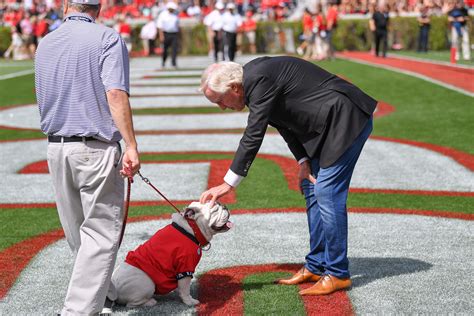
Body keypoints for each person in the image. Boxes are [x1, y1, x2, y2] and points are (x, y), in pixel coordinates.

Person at [199, 57, 376, 295]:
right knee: (312, 188)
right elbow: (284, 124)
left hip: (345, 118)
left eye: (220, 101)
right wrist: (303, 161)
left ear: (234, 87)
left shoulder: (258, 79)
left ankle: (337, 273)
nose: (221, 107)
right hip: (325, 125)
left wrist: (227, 183)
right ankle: (316, 265)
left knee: (327, 192)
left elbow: (254, 134)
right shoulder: (252, 83)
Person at [34, 0, 141, 314]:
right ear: (100, 7)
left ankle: (103, 294)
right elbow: (115, 93)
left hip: (56, 146)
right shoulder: (107, 38)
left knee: (76, 229)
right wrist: (131, 144)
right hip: (94, 146)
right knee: (99, 231)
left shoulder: (45, 42)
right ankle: (78, 311)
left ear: (67, 5)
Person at [157, 1, 180, 68]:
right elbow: (160, 26)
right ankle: (163, 62)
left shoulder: (176, 14)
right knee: (165, 50)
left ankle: (173, 63)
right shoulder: (163, 14)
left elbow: (177, 25)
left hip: (174, 34)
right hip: (166, 34)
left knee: (174, 49)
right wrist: (161, 36)